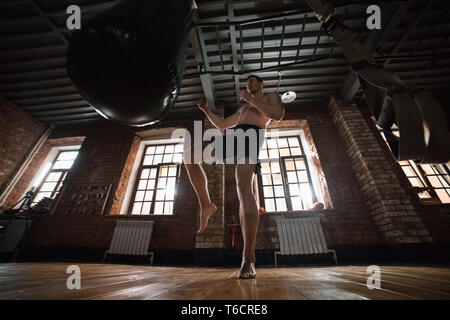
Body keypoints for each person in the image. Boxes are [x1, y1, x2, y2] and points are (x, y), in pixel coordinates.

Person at [183, 75, 285, 279]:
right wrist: (206, 110)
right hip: (233, 138)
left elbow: (278, 114)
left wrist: (251, 99)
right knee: (190, 156)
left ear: (261, 84)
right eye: (247, 83)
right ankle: (206, 205)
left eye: (253, 81)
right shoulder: (242, 109)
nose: (249, 84)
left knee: (243, 187)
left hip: (252, 138)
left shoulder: (270, 97)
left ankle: (248, 259)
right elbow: (221, 124)